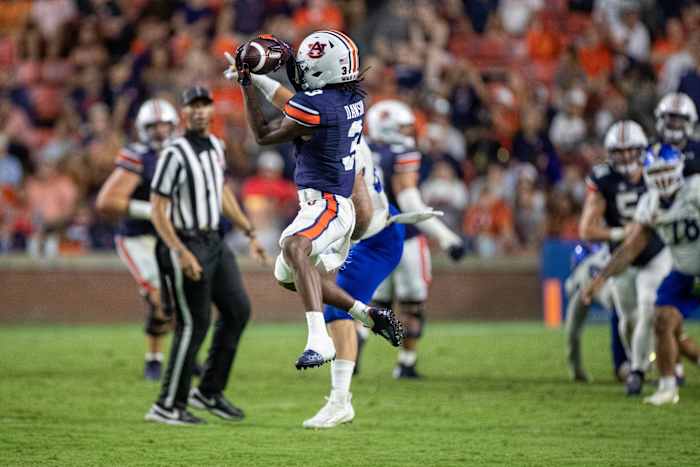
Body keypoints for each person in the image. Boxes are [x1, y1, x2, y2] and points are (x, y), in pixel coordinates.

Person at [230, 32, 403, 371]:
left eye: (307, 65)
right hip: (323, 205)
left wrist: (247, 83)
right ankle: (366, 314)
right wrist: (259, 78)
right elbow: (300, 98)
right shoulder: (351, 99)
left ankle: (318, 341)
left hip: (329, 205)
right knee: (289, 275)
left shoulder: (315, 106)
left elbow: (264, 134)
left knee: (295, 248)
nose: (297, 68)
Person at [144, 86, 267, 425]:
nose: (199, 111)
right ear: (183, 113)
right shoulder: (174, 153)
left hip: (214, 240)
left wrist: (249, 231)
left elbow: (221, 190)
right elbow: (158, 209)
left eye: (204, 105)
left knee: (238, 310)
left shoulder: (216, 146)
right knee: (192, 325)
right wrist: (180, 251)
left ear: (212, 110)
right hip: (185, 241)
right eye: (192, 106)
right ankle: (167, 405)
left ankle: (208, 391)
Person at [584, 144, 700, 405]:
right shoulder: (649, 203)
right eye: (656, 172)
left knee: (671, 327)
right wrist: (600, 279)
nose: (662, 179)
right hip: (684, 273)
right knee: (661, 320)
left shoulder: (695, 189)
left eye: (667, 171)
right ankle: (668, 387)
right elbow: (631, 248)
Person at [367, 99, 466, 379]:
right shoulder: (402, 152)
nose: (409, 131)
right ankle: (406, 363)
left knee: (372, 305)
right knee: (412, 305)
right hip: (405, 237)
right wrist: (447, 237)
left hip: (373, 236)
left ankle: (354, 355)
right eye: (404, 127)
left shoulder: (361, 148)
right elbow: (409, 199)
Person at [579, 120, 672, 396]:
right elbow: (586, 229)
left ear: (642, 149)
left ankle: (641, 370)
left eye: (631, 151)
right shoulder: (603, 179)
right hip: (621, 257)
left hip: (655, 252)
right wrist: (621, 231)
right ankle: (638, 364)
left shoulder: (657, 171)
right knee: (628, 320)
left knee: (648, 308)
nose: (626, 158)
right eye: (619, 152)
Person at [96, 98, 178, 381]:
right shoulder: (138, 156)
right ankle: (154, 359)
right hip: (138, 238)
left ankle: (182, 357)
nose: (159, 131)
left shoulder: (182, 151)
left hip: (170, 237)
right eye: (153, 126)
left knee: (183, 301)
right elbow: (107, 201)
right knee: (159, 300)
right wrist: (152, 211)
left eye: (164, 124)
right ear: (143, 129)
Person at [564, 242, 628, 382]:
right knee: (623, 315)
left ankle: (576, 371)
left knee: (572, 332)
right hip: (609, 287)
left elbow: (569, 287)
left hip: (586, 290)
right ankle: (629, 364)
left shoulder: (582, 267)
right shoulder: (606, 252)